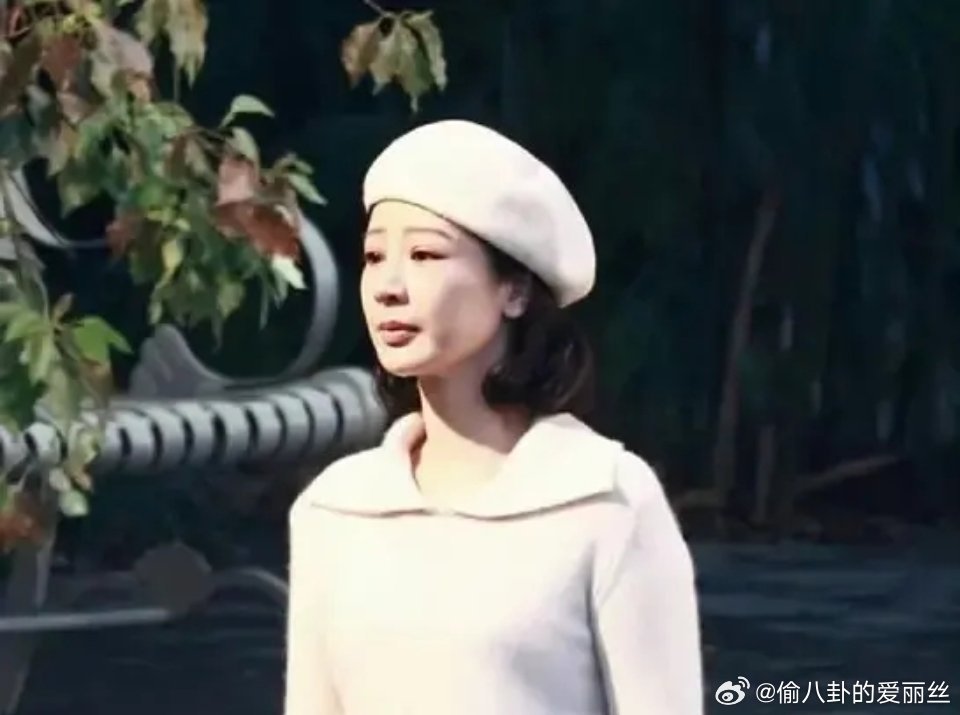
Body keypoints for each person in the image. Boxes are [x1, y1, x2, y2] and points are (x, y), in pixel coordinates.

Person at [284, 119, 704, 715]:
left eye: (425, 254)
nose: (388, 287)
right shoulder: (334, 509)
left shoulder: (606, 501)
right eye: (374, 257)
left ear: (514, 290)